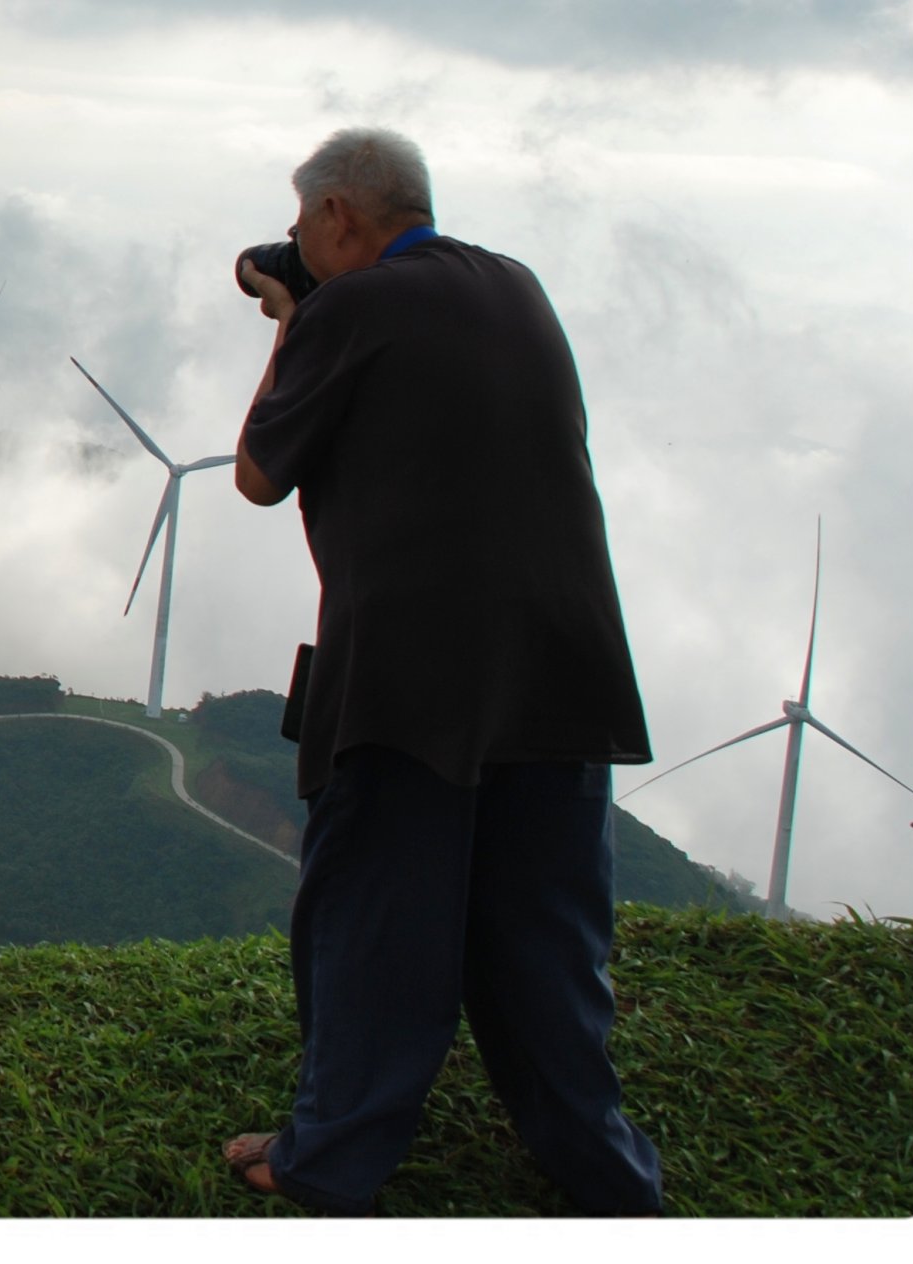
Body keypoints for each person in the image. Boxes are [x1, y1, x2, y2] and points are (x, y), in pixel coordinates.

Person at [220, 125, 661, 1217]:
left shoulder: (349, 307)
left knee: (375, 923)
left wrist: (291, 317)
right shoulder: (515, 285)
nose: (295, 244)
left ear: (336, 216)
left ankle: (327, 1157)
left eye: (300, 225)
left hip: (409, 682)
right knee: (547, 940)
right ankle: (601, 1170)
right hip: (563, 672)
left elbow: (257, 473)